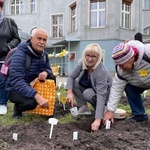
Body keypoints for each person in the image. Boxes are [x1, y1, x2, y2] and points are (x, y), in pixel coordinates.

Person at [6, 28, 56, 119]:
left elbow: (49, 69)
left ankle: (49, 109)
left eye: (44, 40)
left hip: (32, 85)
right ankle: (18, 109)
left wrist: (45, 72)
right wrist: (36, 96)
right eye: (39, 38)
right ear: (31, 38)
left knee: (51, 77)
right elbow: (17, 80)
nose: (42, 42)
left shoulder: (44, 55)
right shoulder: (20, 54)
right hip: (15, 88)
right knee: (32, 102)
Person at [67, 43, 112, 131]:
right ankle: (84, 107)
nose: (90, 59)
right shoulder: (82, 63)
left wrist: (98, 119)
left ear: (98, 57)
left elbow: (101, 95)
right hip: (90, 89)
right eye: (87, 55)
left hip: (104, 95)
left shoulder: (101, 71)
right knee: (74, 83)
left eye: (93, 56)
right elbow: (71, 77)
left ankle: (101, 111)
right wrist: (69, 92)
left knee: (87, 93)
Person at [103, 40, 150, 124]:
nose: (120, 68)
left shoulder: (147, 53)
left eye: (122, 64)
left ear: (131, 58)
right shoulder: (121, 71)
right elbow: (116, 89)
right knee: (129, 88)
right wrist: (110, 111)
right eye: (118, 65)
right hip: (140, 83)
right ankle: (139, 115)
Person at [0, 0, 21, 115]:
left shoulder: (9, 22)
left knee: (2, 81)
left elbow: (17, 38)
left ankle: (2, 104)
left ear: (1, 8)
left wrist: (8, 46)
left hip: (4, 58)